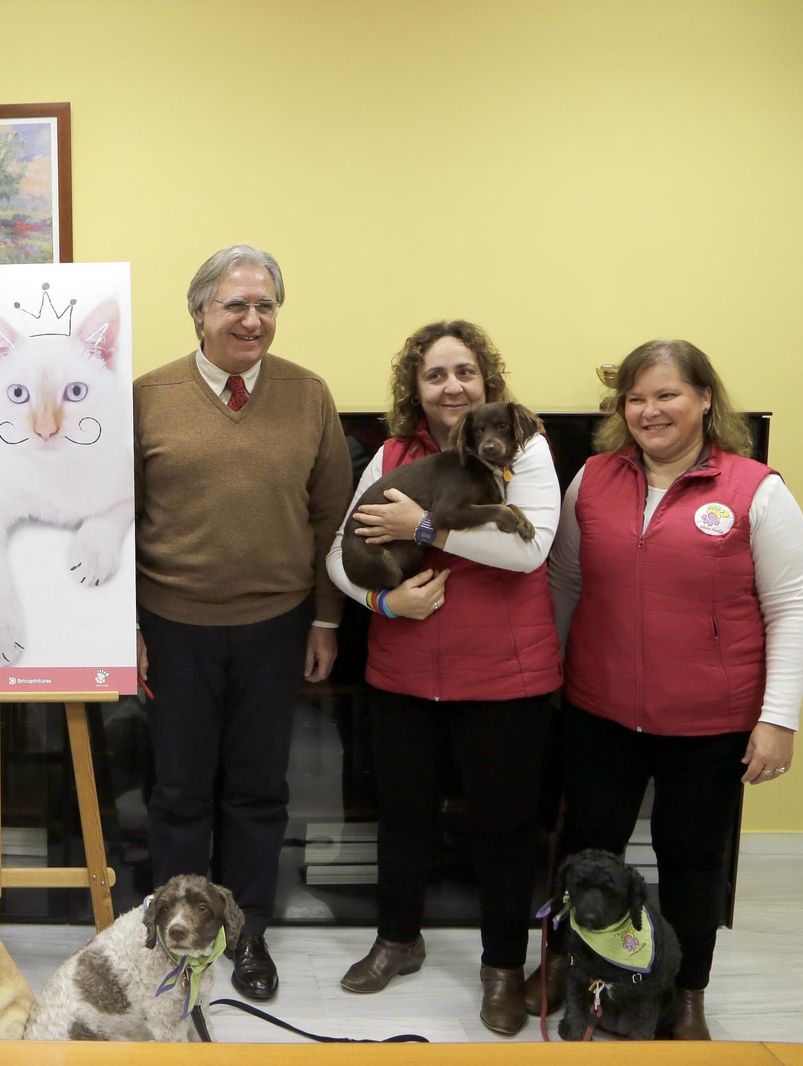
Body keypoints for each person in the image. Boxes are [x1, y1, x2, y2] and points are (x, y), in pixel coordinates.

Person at [535, 339, 803, 1039]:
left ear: (705, 399)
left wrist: (777, 719)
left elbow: (792, 609)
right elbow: (563, 583)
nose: (649, 410)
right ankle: (578, 969)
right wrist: (548, 681)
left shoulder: (756, 490)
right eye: (636, 398)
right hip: (599, 711)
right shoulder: (592, 480)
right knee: (587, 851)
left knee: (691, 860)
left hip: (709, 723)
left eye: (667, 395)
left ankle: (687, 991)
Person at [324, 320, 561, 1034]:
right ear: (416, 390)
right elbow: (341, 551)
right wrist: (380, 600)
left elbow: (530, 549)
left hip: (504, 679)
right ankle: (398, 939)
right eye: (435, 375)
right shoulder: (392, 454)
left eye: (464, 372)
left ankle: (501, 969)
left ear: (486, 383)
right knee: (401, 821)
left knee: (504, 830)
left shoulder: (527, 450)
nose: (451, 385)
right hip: (404, 674)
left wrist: (424, 529)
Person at [133, 244, 352, 1001]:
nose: (252, 320)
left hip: (276, 625)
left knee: (259, 790)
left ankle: (248, 927)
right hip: (172, 625)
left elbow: (332, 519)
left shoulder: (309, 394)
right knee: (180, 792)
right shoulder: (147, 395)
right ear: (200, 313)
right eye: (236, 305)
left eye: (265, 306)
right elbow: (113, 520)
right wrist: (123, 628)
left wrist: (325, 621)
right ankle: (177, 934)